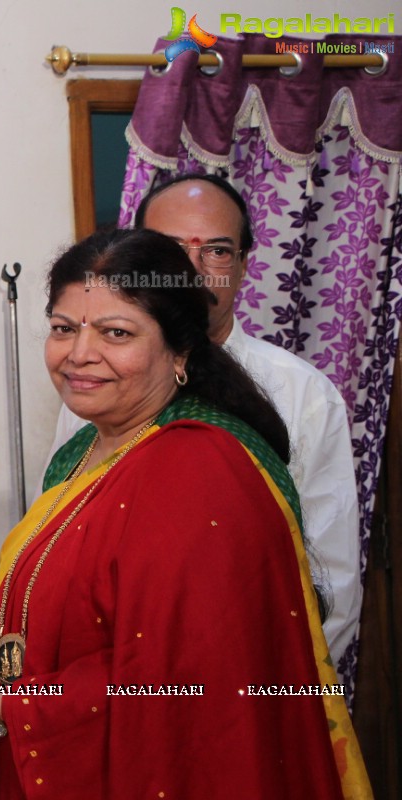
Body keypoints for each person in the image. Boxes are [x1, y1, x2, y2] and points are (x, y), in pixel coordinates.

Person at [0, 229, 370, 798]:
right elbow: (119, 615)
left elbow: (183, 681)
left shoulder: (199, 469)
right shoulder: (87, 448)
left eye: (116, 333)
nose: (79, 353)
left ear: (179, 351)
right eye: (64, 328)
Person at [49, 174, 362, 685]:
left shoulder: (302, 395)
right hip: (99, 692)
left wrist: (266, 709)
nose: (189, 272)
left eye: (215, 251)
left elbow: (330, 588)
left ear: (242, 265)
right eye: (169, 252)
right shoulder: (95, 383)